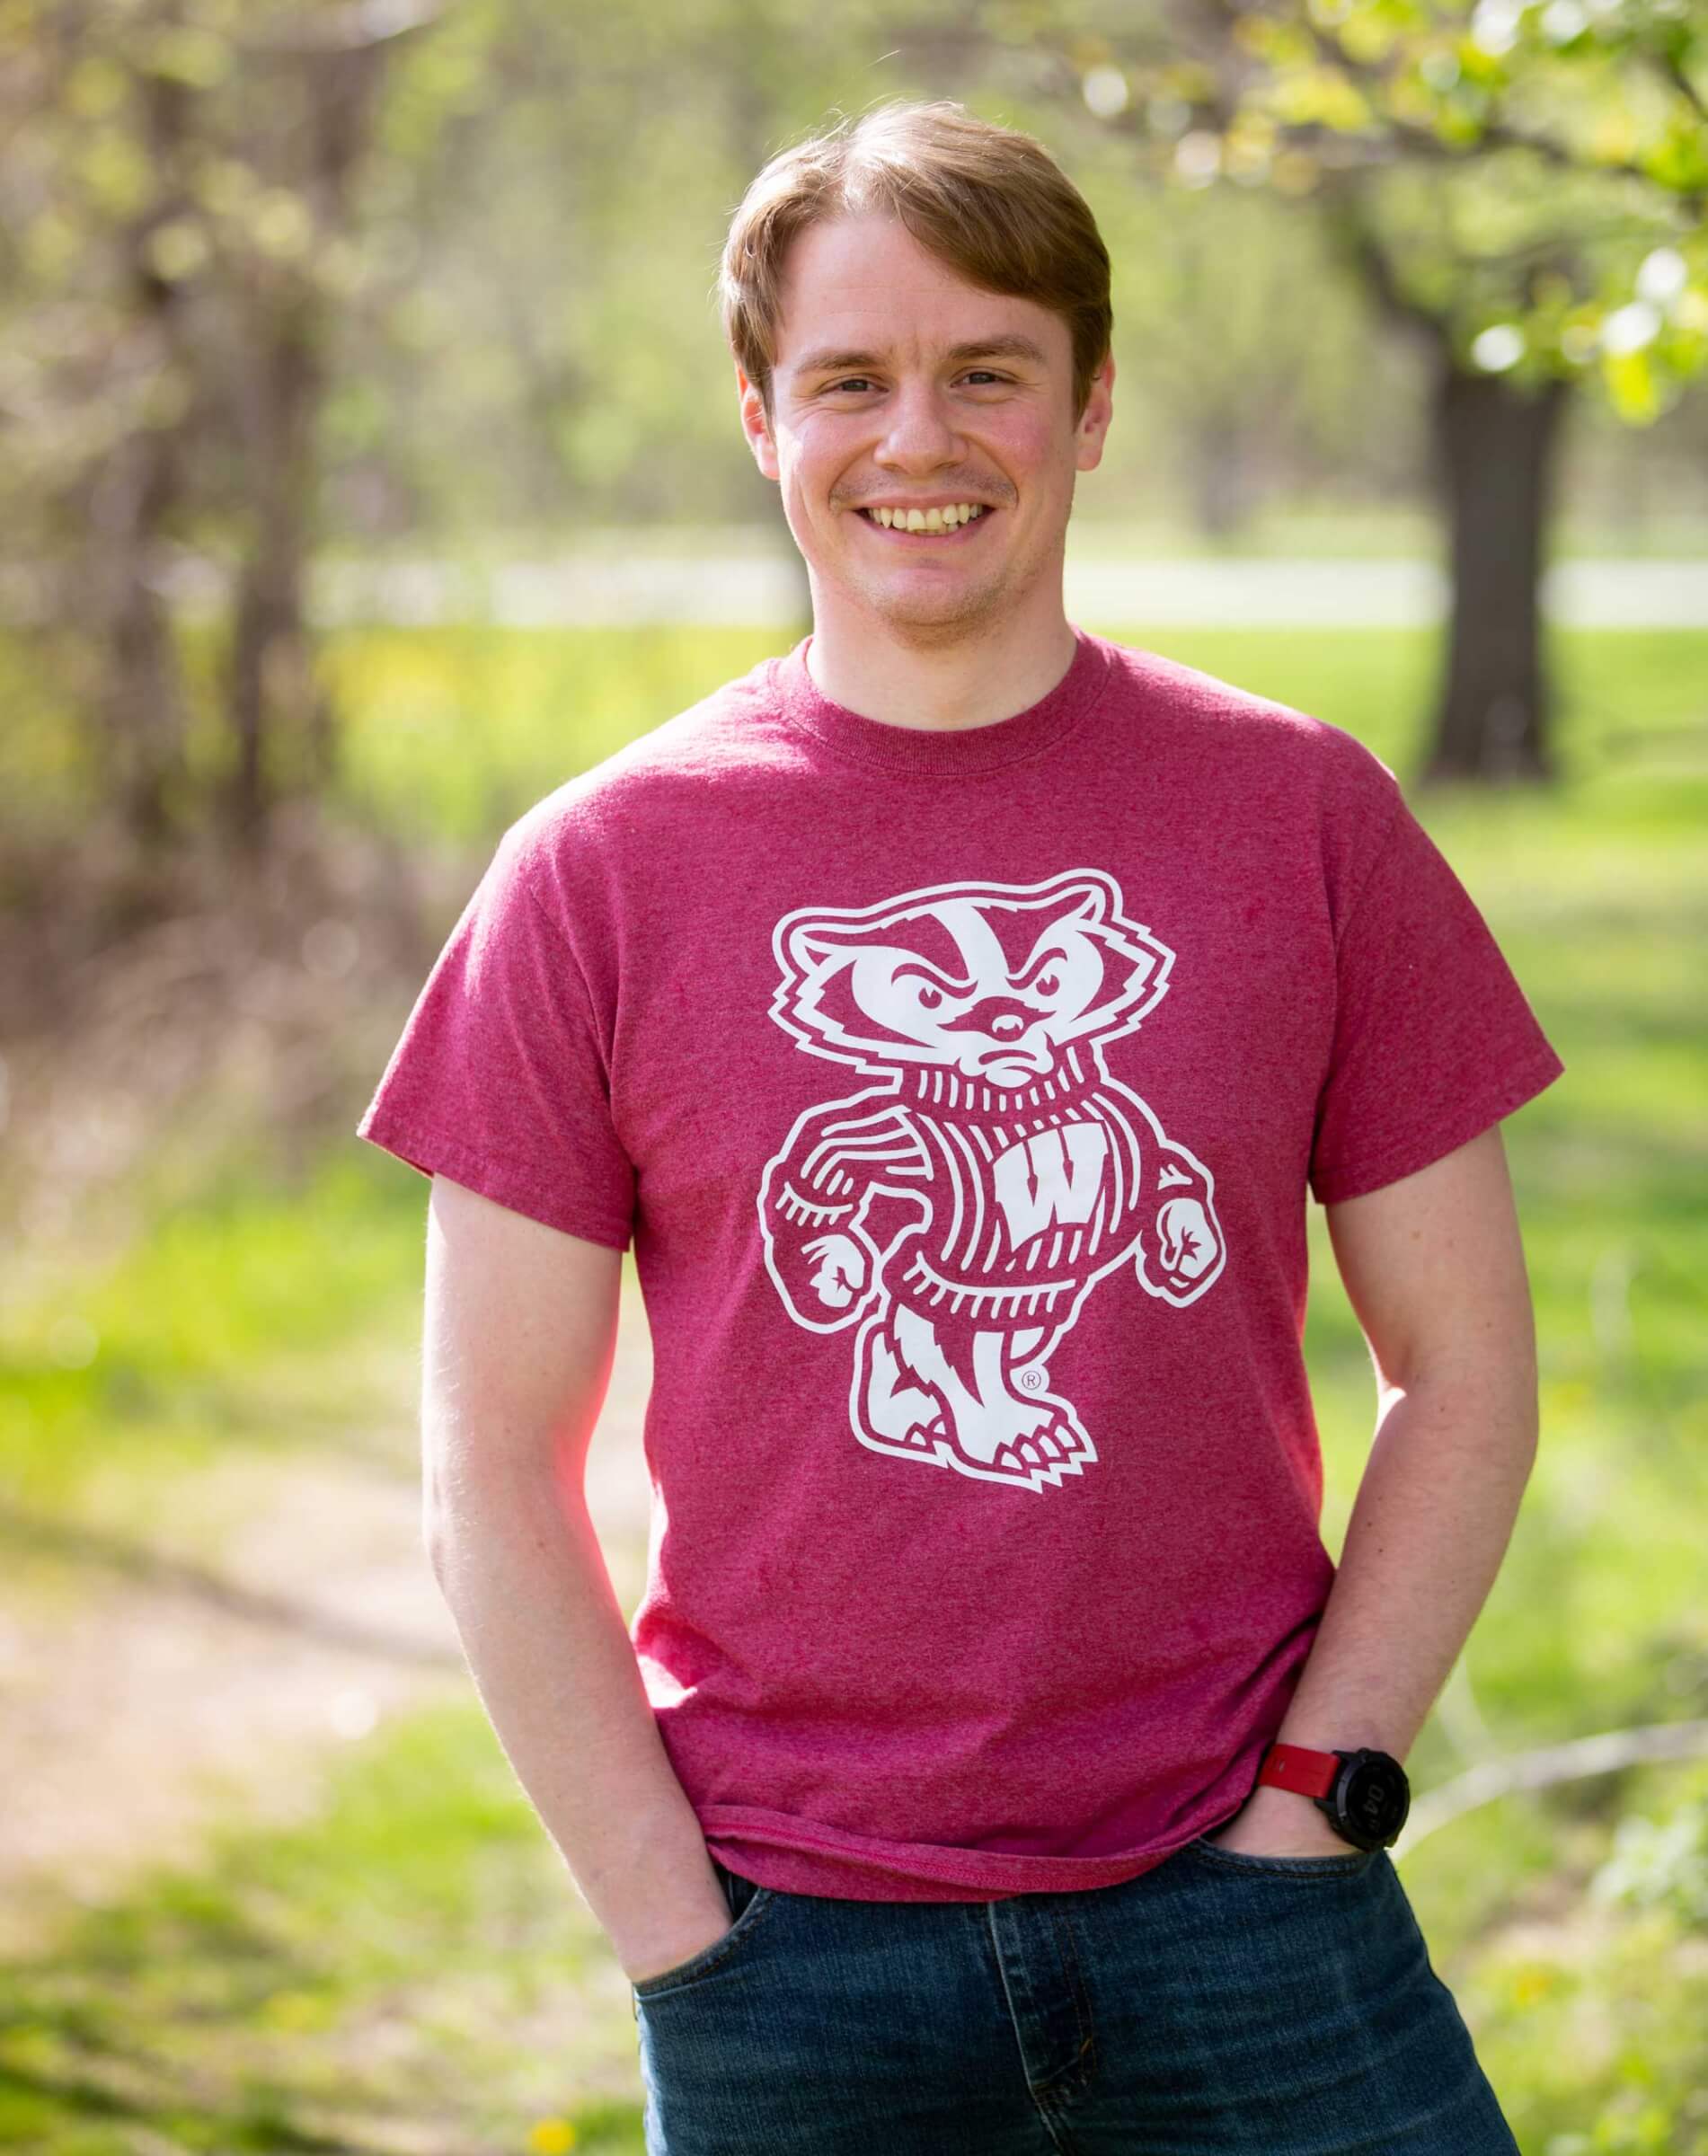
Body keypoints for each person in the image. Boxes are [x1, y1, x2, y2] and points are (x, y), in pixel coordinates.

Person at [357, 97, 1563, 2156]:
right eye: (851, 380)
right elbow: (487, 1455)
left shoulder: (1302, 819)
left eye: (987, 370)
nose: (919, 439)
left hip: (1252, 1912)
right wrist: (676, 1937)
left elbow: (1462, 1366)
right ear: (762, 419)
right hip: (789, 1950)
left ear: (1090, 407)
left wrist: (1316, 1802)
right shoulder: (602, 871)